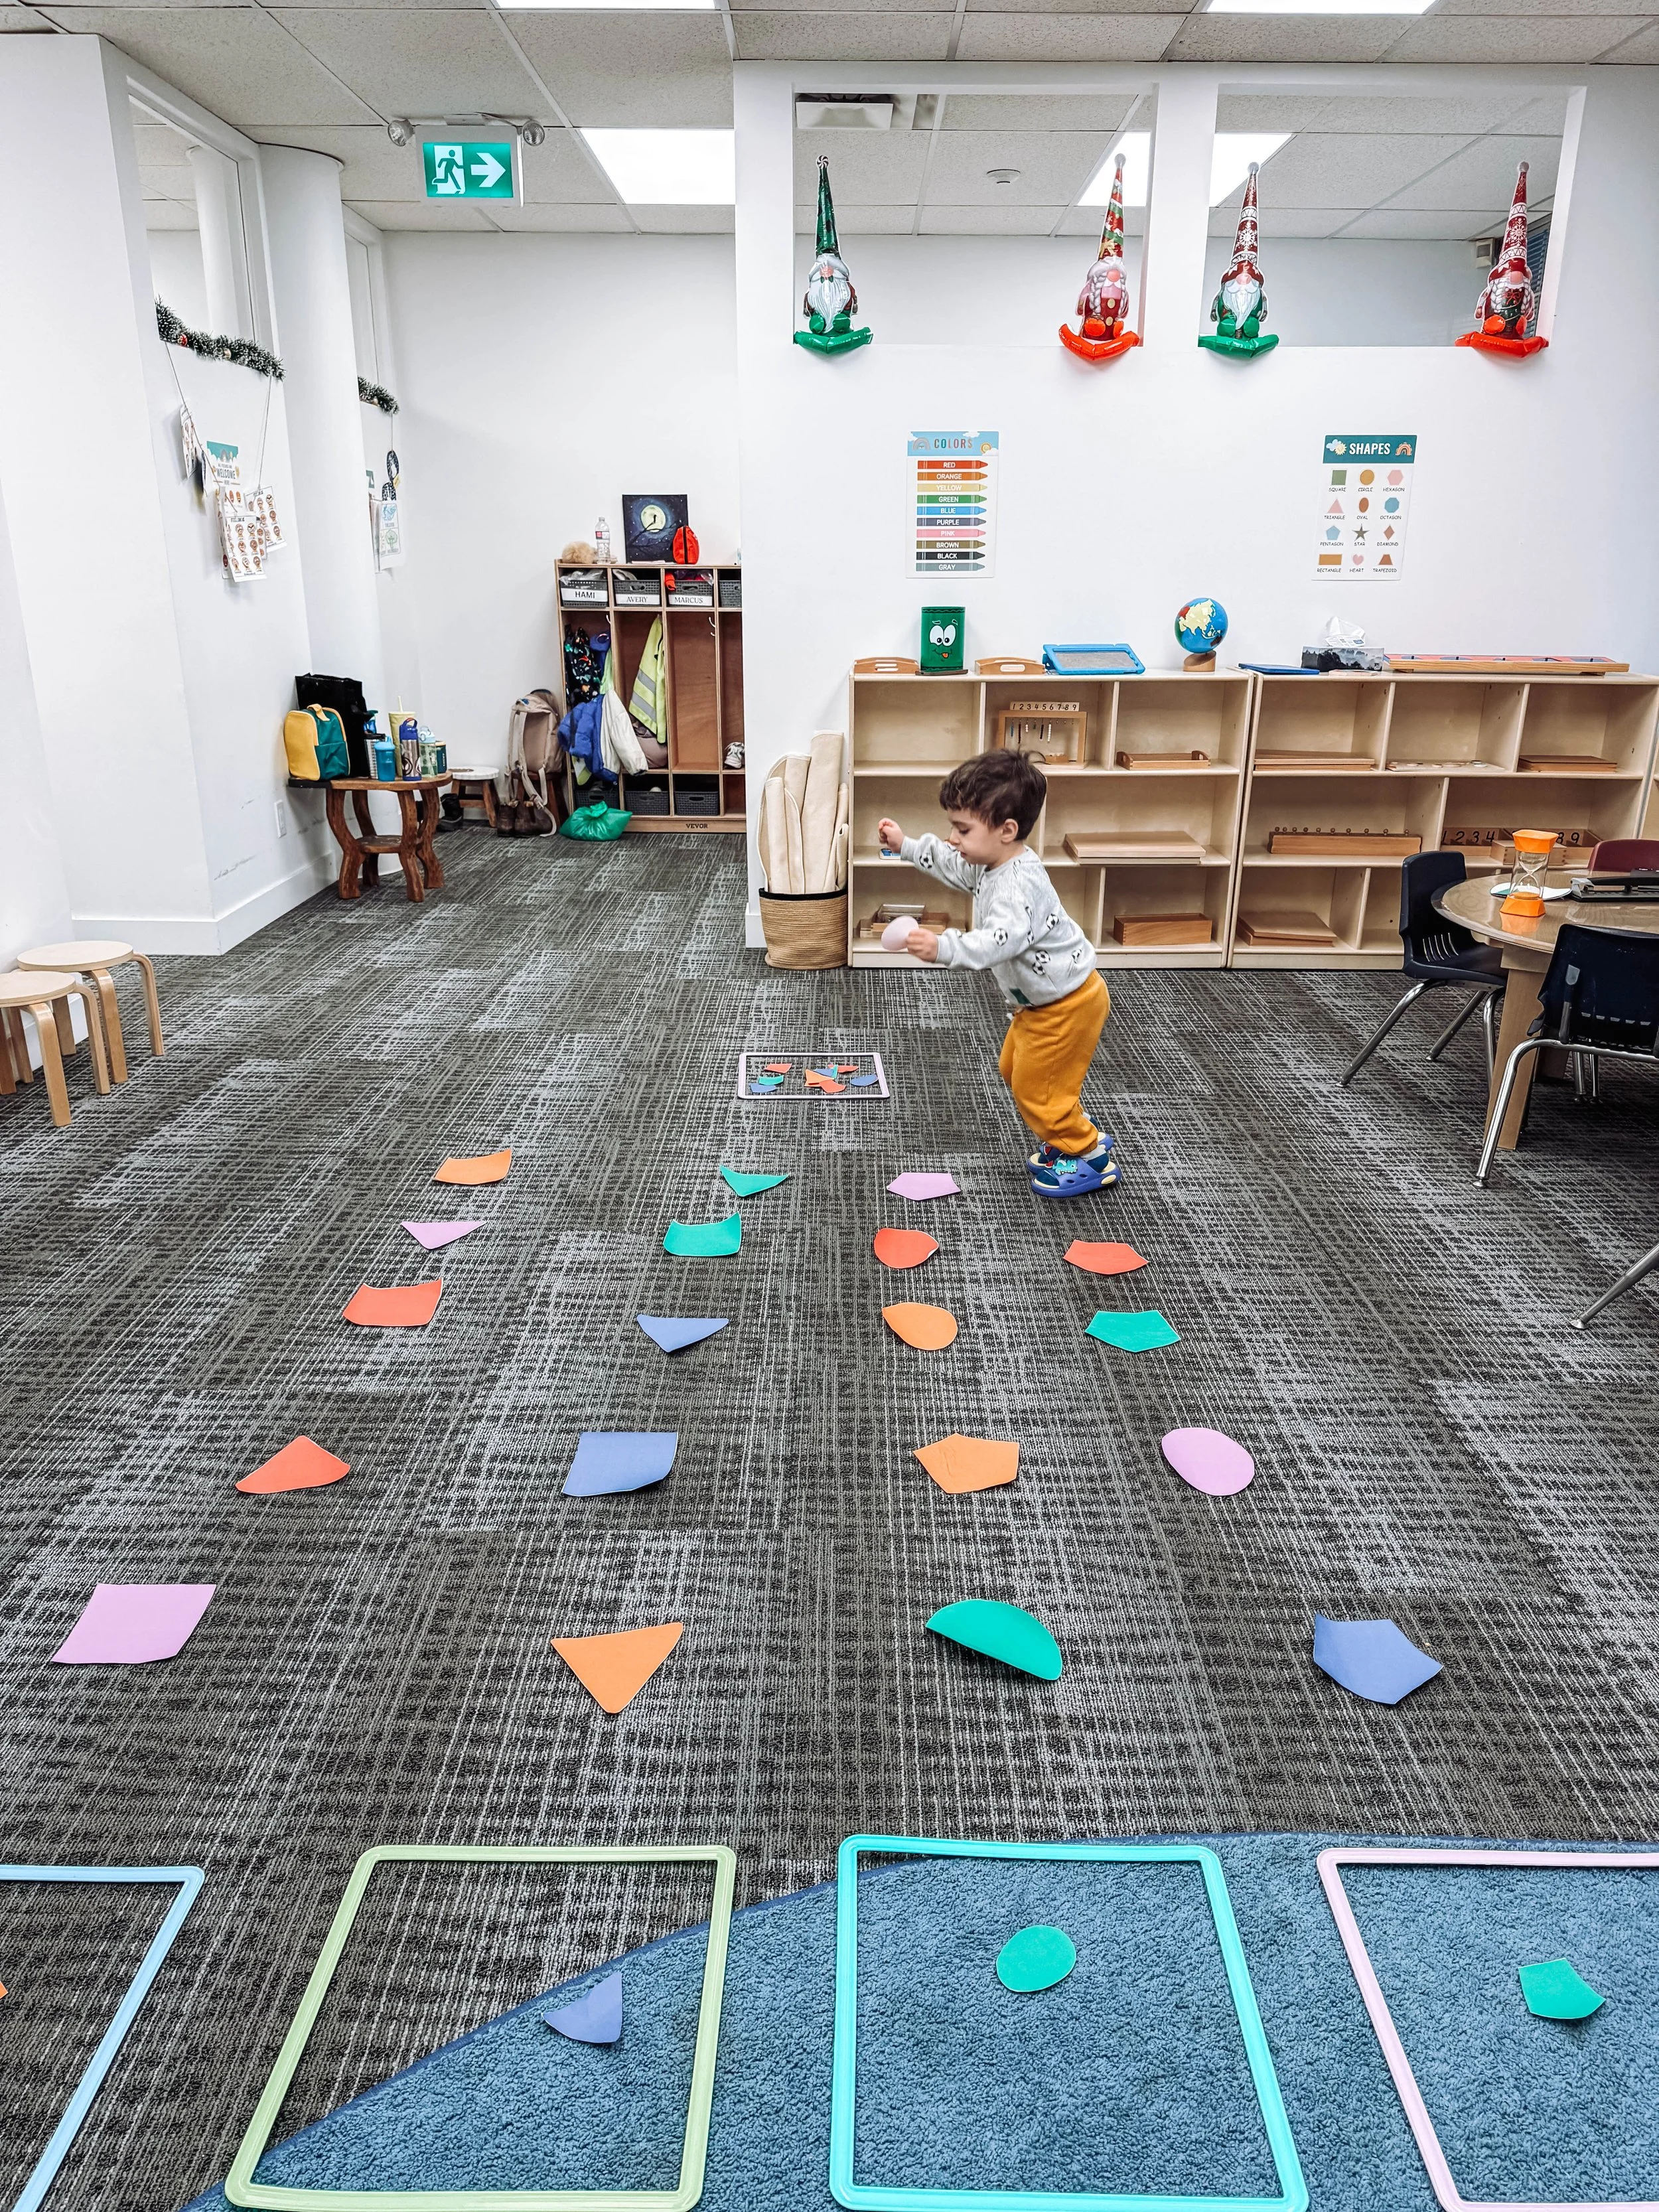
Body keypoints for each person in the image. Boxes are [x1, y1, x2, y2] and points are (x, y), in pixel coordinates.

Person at [877, 750, 1116, 1198]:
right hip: (1041, 1002)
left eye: (963, 828)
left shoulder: (1015, 884)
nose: (953, 837)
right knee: (1015, 1070)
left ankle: (1088, 1154)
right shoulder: (991, 863)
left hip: (1066, 1003)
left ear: (1007, 830)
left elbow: (998, 941)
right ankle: (1068, 1135)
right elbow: (950, 864)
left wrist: (943, 947)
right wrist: (906, 845)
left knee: (1037, 1090)